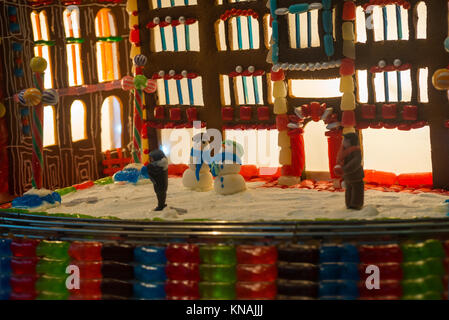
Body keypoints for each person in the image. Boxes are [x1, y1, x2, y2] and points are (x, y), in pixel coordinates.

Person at [334, 132, 364, 210]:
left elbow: (355, 162)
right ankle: (349, 203)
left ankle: (356, 205)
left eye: (345, 140)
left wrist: (344, 169)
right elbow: (341, 161)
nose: (342, 142)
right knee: (349, 190)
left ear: (350, 142)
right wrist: (339, 168)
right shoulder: (344, 151)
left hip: (355, 175)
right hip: (348, 175)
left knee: (357, 190)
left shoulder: (356, 150)